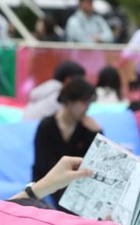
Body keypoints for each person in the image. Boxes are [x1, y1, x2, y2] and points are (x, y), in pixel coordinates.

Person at [32, 77, 101, 210]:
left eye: (89, 103)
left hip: (77, 185)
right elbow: (40, 167)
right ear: (69, 101)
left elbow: (96, 163)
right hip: (50, 183)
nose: (87, 108)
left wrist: (98, 133)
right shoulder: (47, 126)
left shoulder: (87, 128)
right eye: (84, 102)